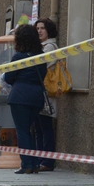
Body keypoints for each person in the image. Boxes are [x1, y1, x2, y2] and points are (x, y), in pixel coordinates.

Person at [3, 24, 47, 174]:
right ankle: (34, 163)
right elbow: (43, 75)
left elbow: (8, 78)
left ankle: (27, 164)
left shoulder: (18, 57)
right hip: (36, 96)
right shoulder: (41, 57)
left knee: (22, 131)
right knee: (29, 130)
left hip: (20, 96)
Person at [35, 18, 59, 171]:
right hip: (39, 91)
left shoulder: (49, 46)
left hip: (46, 93)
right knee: (38, 127)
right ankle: (39, 158)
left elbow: (40, 66)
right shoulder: (40, 46)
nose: (39, 31)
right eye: (37, 28)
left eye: (42, 28)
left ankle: (47, 161)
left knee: (45, 127)